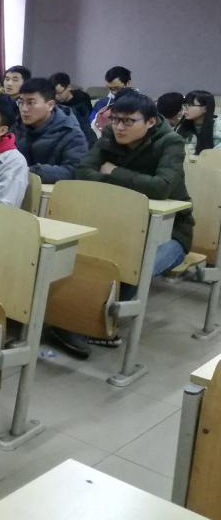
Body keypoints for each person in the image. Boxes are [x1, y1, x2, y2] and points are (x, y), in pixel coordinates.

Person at [53, 93, 194, 359]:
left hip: (170, 232)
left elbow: (161, 187)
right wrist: (121, 183)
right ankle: (71, 316)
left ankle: (95, 323)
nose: (119, 127)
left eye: (129, 121)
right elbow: (83, 171)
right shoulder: (109, 135)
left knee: (133, 266)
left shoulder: (170, 142)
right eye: (116, 119)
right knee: (82, 255)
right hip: (117, 223)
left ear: (150, 122)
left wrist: (113, 171)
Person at [15, 77, 89, 182]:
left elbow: (73, 171)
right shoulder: (17, 126)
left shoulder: (70, 133)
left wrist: (31, 171)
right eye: (21, 102)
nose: (24, 109)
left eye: (31, 103)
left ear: (50, 105)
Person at [50, 72, 96, 146]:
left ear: (69, 87)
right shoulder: (52, 103)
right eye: (54, 93)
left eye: (59, 93)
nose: (56, 97)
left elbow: (87, 123)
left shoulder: (82, 99)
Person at [178, 91, 221, 155]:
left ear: (205, 108)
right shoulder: (182, 127)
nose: (185, 109)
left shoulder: (217, 129)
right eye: (184, 105)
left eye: (190, 105)